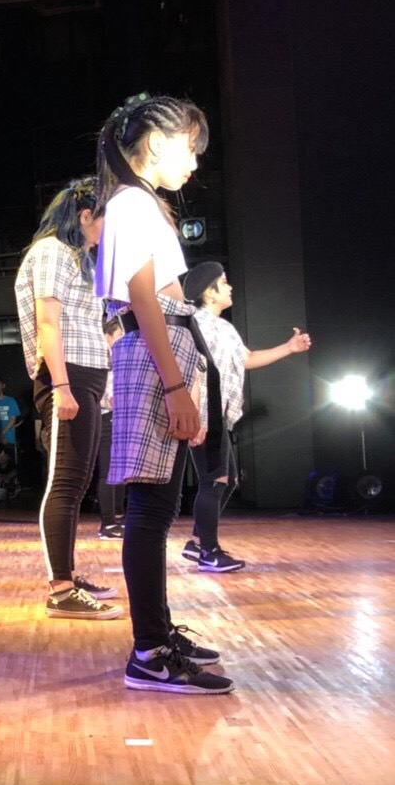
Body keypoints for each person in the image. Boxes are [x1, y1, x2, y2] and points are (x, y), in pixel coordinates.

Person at [94, 92, 231, 694]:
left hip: (164, 351)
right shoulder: (130, 203)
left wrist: (188, 376)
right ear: (156, 142)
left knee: (159, 507)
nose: (195, 163)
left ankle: (159, 634)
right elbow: (143, 296)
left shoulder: (141, 203)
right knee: (151, 510)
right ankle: (149, 651)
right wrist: (176, 384)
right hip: (154, 356)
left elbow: (167, 298)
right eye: (190, 148)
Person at [13, 177, 123, 621]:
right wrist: (61, 387)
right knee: (64, 482)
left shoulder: (78, 257)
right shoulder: (52, 252)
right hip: (68, 376)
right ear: (84, 216)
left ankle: (69, 576)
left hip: (86, 376)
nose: (104, 233)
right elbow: (48, 323)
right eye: (103, 222)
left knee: (77, 484)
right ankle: (60, 590)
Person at [180, 262, 312, 571]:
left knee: (228, 480)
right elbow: (190, 369)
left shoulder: (224, 328)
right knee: (215, 480)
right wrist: (196, 415)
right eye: (224, 282)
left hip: (221, 415)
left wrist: (289, 348)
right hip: (206, 413)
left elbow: (248, 358)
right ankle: (209, 551)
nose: (230, 287)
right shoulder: (194, 324)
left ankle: (198, 542)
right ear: (209, 292)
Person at [96, 317, 127, 539]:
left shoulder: (116, 359)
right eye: (120, 335)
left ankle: (117, 517)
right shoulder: (102, 358)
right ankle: (107, 523)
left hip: (118, 417)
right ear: (108, 335)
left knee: (120, 470)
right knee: (108, 470)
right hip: (106, 416)